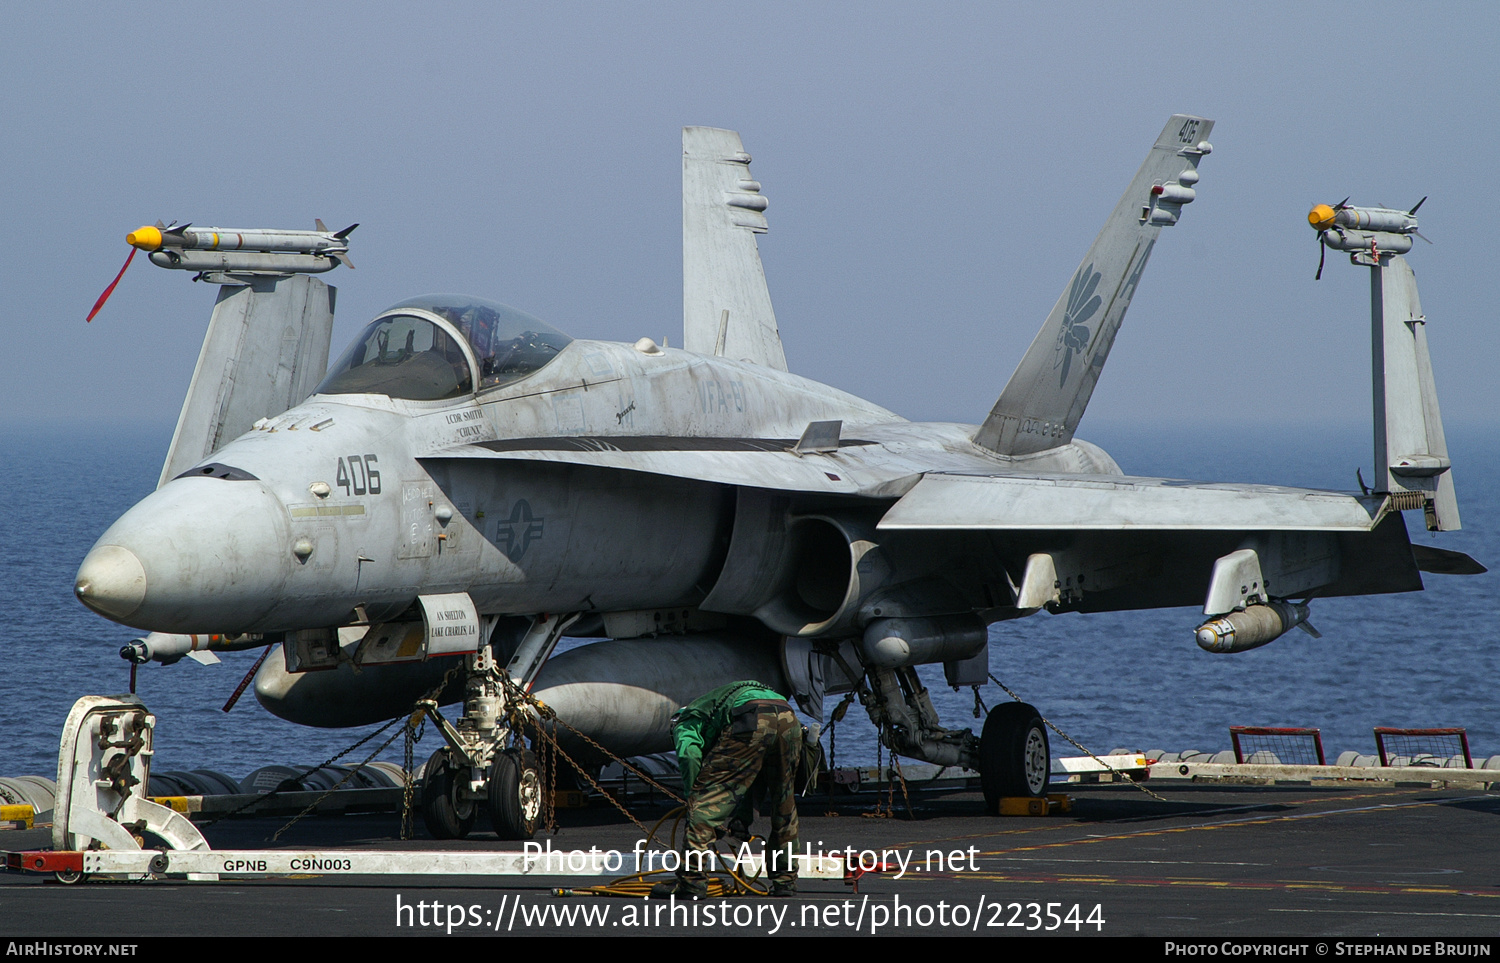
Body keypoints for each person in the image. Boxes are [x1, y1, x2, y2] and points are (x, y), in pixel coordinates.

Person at [650, 681, 802, 899]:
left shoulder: (686, 721)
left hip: (751, 715)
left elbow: (689, 756)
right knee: (784, 803)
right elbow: (748, 776)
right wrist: (741, 819)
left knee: (704, 805)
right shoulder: (716, 706)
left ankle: (692, 882)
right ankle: (785, 881)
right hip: (788, 716)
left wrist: (696, 800)